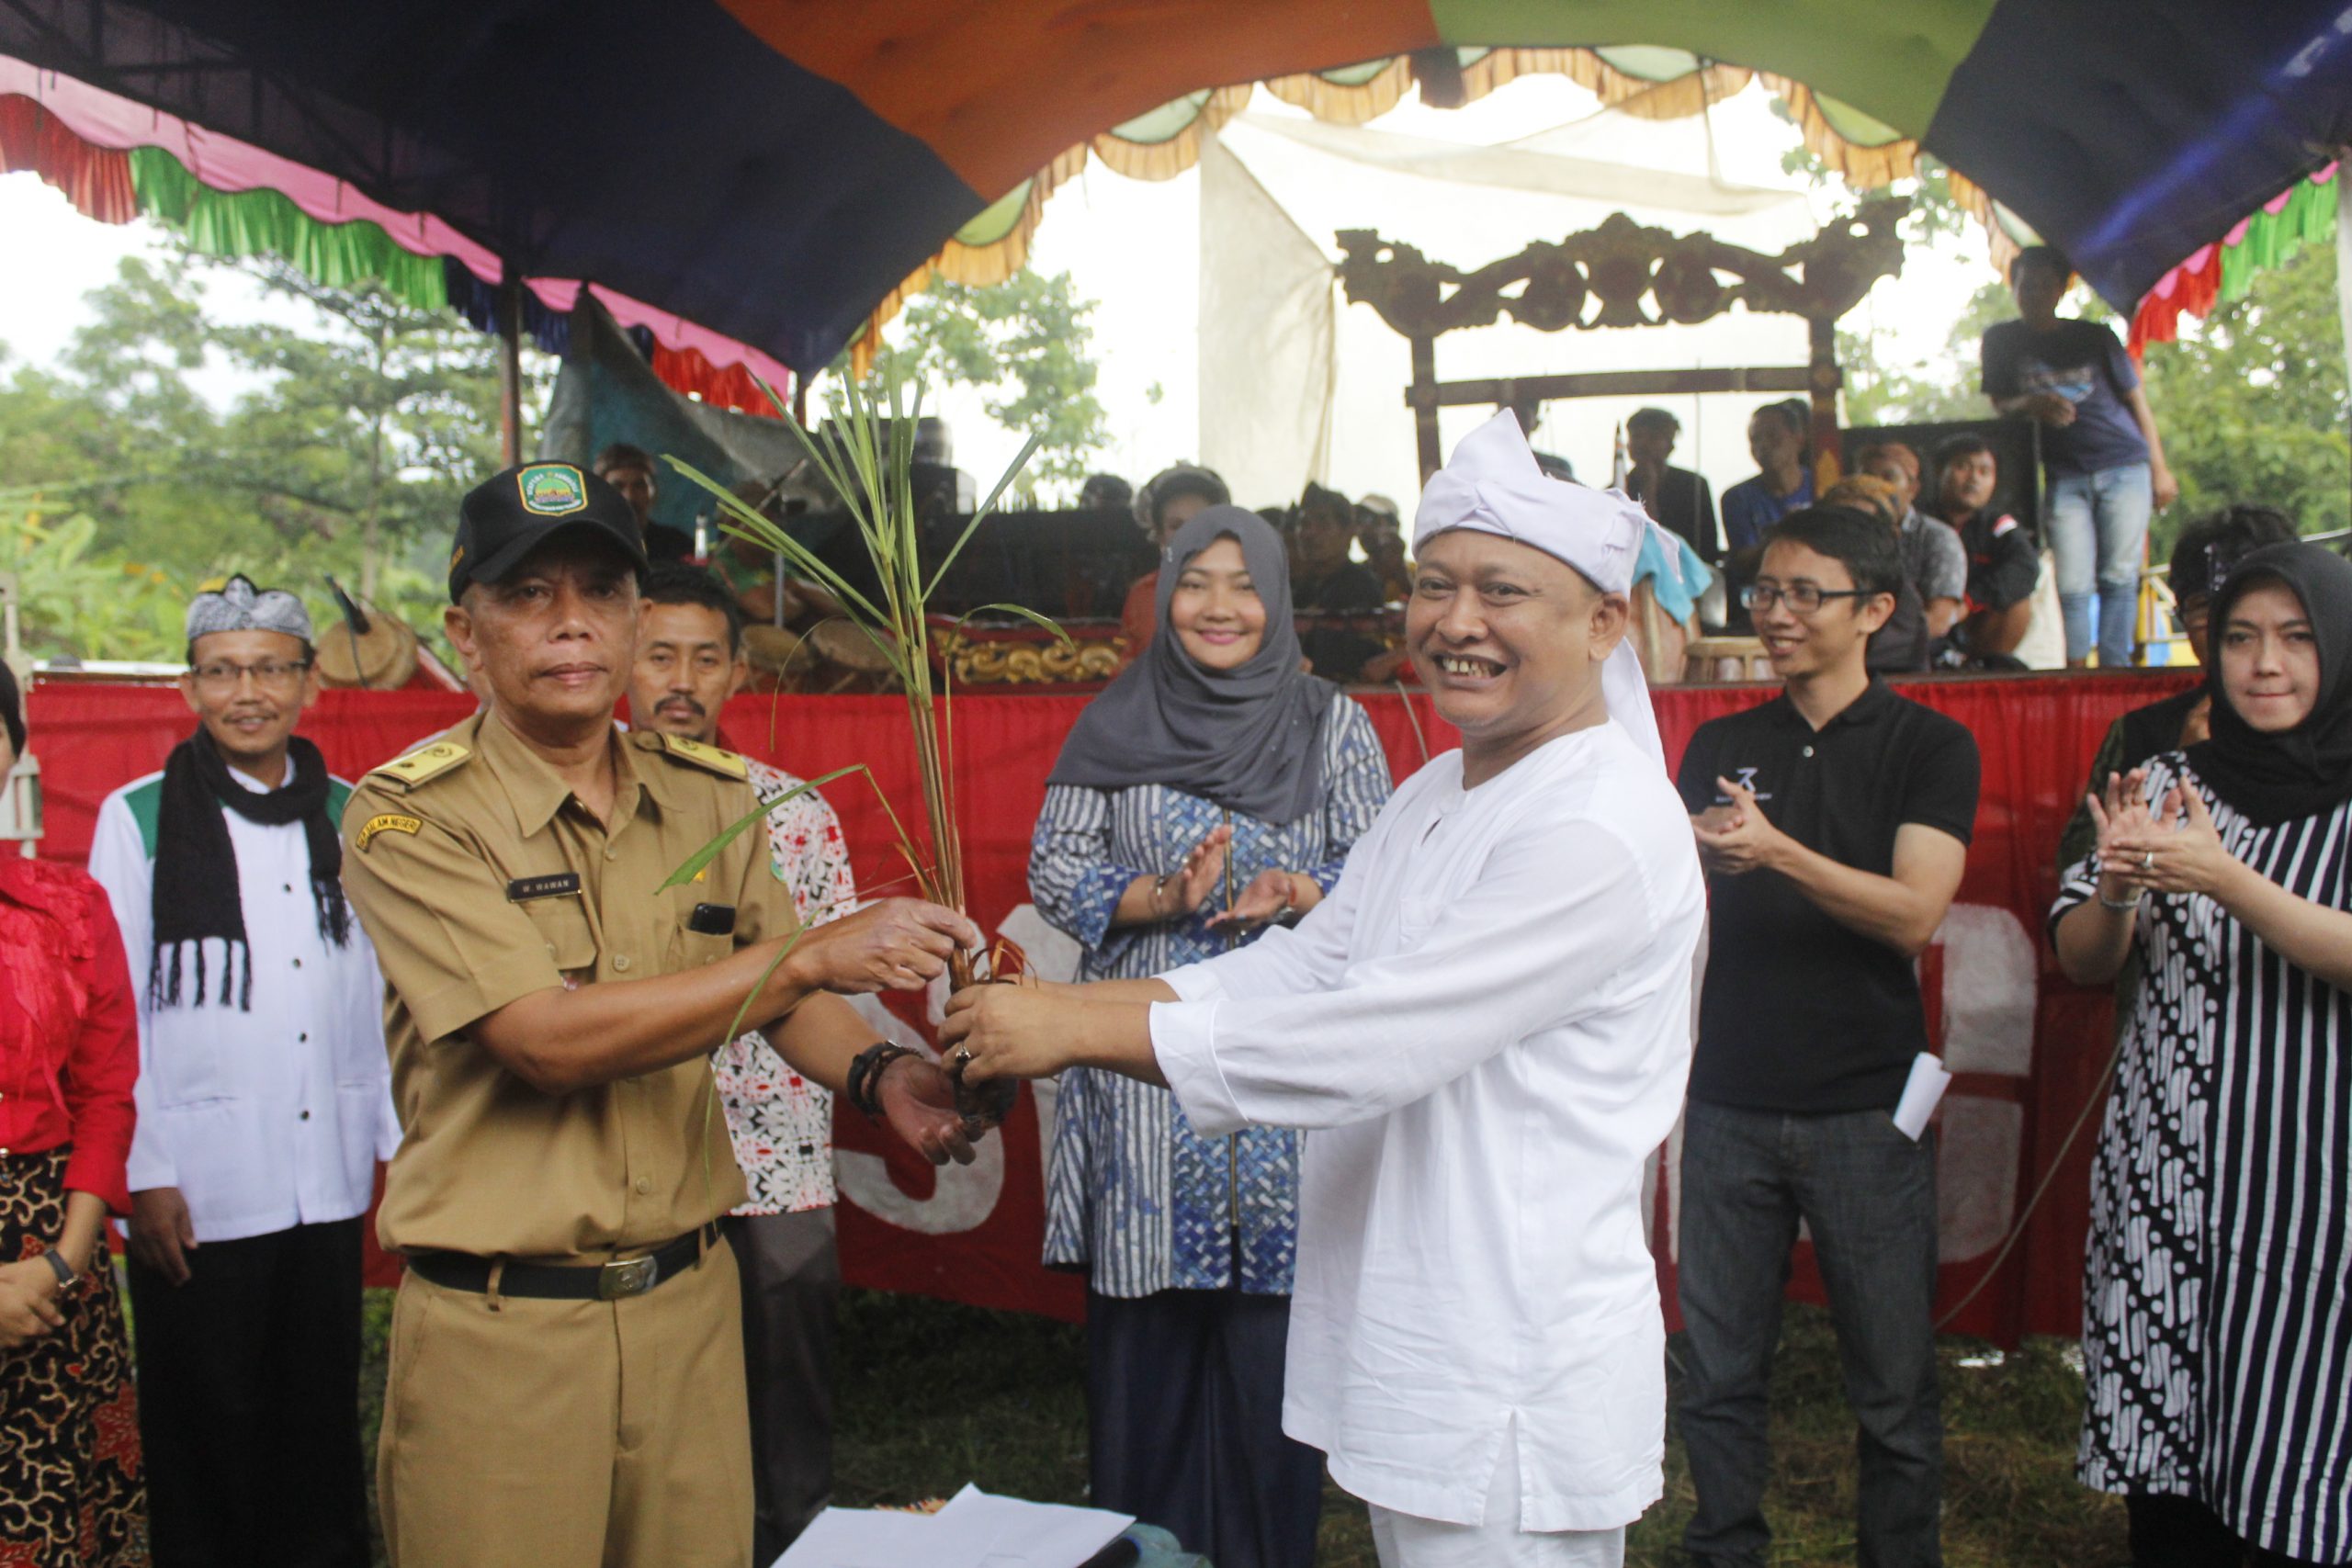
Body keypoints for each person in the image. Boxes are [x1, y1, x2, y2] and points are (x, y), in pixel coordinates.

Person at [945, 409, 1708, 1567]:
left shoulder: (1593, 827)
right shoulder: (1438, 791)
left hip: (1508, 1355)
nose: (1456, 624)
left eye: (1501, 592)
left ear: (1604, 620)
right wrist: (1062, 1016)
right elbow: (1305, 964)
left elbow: (1366, 1039)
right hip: (1418, 1324)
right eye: (1433, 585)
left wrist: (1063, 1028)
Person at [340, 461, 986, 1567]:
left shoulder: (711, 794)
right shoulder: (408, 817)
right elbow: (545, 1042)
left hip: (691, 1308)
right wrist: (805, 958)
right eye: (528, 595)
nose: (573, 624)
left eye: (600, 590)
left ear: (638, 620)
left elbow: (788, 1009)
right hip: (507, 1333)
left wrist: (884, 1078)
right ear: (467, 629)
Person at [1028, 505, 1393, 1568]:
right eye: (1197, 582)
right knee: (1146, 1353)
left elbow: (1382, 876)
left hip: (1283, 1064)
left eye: (1243, 584)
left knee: (1271, 1351)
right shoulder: (1113, 717)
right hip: (1141, 1077)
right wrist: (1156, 896)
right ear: (1164, 594)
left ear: (1276, 599)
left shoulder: (1333, 724)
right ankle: (1140, 1552)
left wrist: (1303, 889)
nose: (1220, 606)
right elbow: (1054, 866)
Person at [1674, 506, 1981, 1568]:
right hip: (1724, 1102)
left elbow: (1912, 915)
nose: (1777, 613)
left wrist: (1777, 852)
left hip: (1865, 1106)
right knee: (1714, 1373)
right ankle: (1723, 1549)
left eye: (1808, 594)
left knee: (1892, 1391)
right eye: (1764, 591)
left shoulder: (1930, 745)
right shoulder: (1720, 743)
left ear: (1877, 611)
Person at [87, 574, 399, 1568]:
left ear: (310, 682)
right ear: (189, 690)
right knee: (205, 1414)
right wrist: (145, 1172)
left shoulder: (354, 814)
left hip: (327, 1164)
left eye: (270, 668)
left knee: (314, 1405)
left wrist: (401, 1144)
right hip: (200, 1177)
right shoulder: (136, 818)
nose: (247, 692)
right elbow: (112, 1012)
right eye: (223, 672)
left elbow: (387, 992)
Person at [2051, 541, 2352, 1568]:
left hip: (2319, 1195)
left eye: (2297, 639)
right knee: (2168, 1484)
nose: (2264, 664)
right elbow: (2085, 962)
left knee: (2299, 1450)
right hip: (2166, 1182)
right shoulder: (2163, 779)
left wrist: (2229, 882)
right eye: (2239, 639)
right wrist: (2118, 888)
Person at [628, 562, 857, 1560]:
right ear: (619, 663)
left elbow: (833, 984)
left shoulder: (794, 811)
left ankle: (795, 1548)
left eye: (706, 658)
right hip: (634, 1156)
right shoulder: (579, 811)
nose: (681, 679)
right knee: (651, 1409)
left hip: (775, 1161)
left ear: (736, 676)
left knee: (786, 1403)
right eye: (658, 655)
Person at [0, 660, 145, 1567]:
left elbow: (105, 1097)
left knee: (55, 1526)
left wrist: (59, 1261)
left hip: (53, 1264)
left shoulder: (68, 906)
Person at [2054, 504, 2301, 874]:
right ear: (2182, 618)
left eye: (2250, 605)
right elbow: (2075, 870)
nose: (2228, 625)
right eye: (2206, 606)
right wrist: (2172, 776)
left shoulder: (2339, 730)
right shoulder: (2140, 733)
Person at [1984, 245, 2178, 668]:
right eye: (2024, 283)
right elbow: (2000, 403)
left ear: (2060, 289)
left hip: (2125, 464)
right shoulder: (2001, 340)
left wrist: (2160, 469)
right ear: (2013, 286)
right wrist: (2031, 403)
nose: (2033, 292)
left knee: (2119, 576)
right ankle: (2074, 671)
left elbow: (2136, 401)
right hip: (2062, 474)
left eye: (2043, 283)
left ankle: (2114, 669)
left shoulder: (2095, 337)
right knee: (2071, 582)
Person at [1929, 433, 2039, 662]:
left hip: (1975, 626)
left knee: (2018, 602)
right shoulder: (1919, 522)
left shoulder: (1999, 525)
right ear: (1940, 471)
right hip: (1927, 623)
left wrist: (1970, 601)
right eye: (1963, 467)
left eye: (1984, 472)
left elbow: (2026, 566)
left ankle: (1984, 668)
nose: (1973, 479)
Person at [1854, 440, 1967, 642]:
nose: (1877, 487)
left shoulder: (1938, 537)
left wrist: (1878, 649)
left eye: (1888, 477)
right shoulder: (1847, 535)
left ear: (1912, 489)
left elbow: (1938, 621)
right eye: (1868, 477)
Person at [1820, 475, 1933, 674]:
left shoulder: (1900, 596)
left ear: (1891, 535)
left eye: (1860, 528)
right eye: (1837, 525)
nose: (1847, 537)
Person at [1122, 463, 1231, 657]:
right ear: (1159, 534)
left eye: (1200, 523)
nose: (1189, 534)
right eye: (1176, 526)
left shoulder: (1245, 588)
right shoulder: (1144, 594)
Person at [1291, 482, 1388, 682]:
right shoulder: (1300, 587)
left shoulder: (1361, 586)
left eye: (1323, 524)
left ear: (1349, 532)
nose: (1310, 533)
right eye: (1304, 524)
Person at [1624, 407, 1720, 563]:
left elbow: (1708, 546)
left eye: (1653, 437)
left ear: (1670, 446)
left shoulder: (1694, 485)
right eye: (1637, 436)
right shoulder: (1617, 489)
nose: (1643, 444)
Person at [1720, 400, 1815, 554]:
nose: (1763, 445)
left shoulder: (1823, 486)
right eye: (1755, 439)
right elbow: (1744, 559)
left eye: (1773, 436)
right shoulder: (1738, 498)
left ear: (1799, 439)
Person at [594, 441, 694, 562]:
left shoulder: (677, 545)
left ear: (653, 492)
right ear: (600, 493)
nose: (629, 496)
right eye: (618, 487)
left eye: (639, 485)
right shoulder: (587, 545)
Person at [1356, 493, 1413, 604]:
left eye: (1370, 520)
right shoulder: (1353, 576)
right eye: (1358, 521)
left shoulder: (1418, 573)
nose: (1363, 528)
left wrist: (1401, 573)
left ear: (1395, 526)